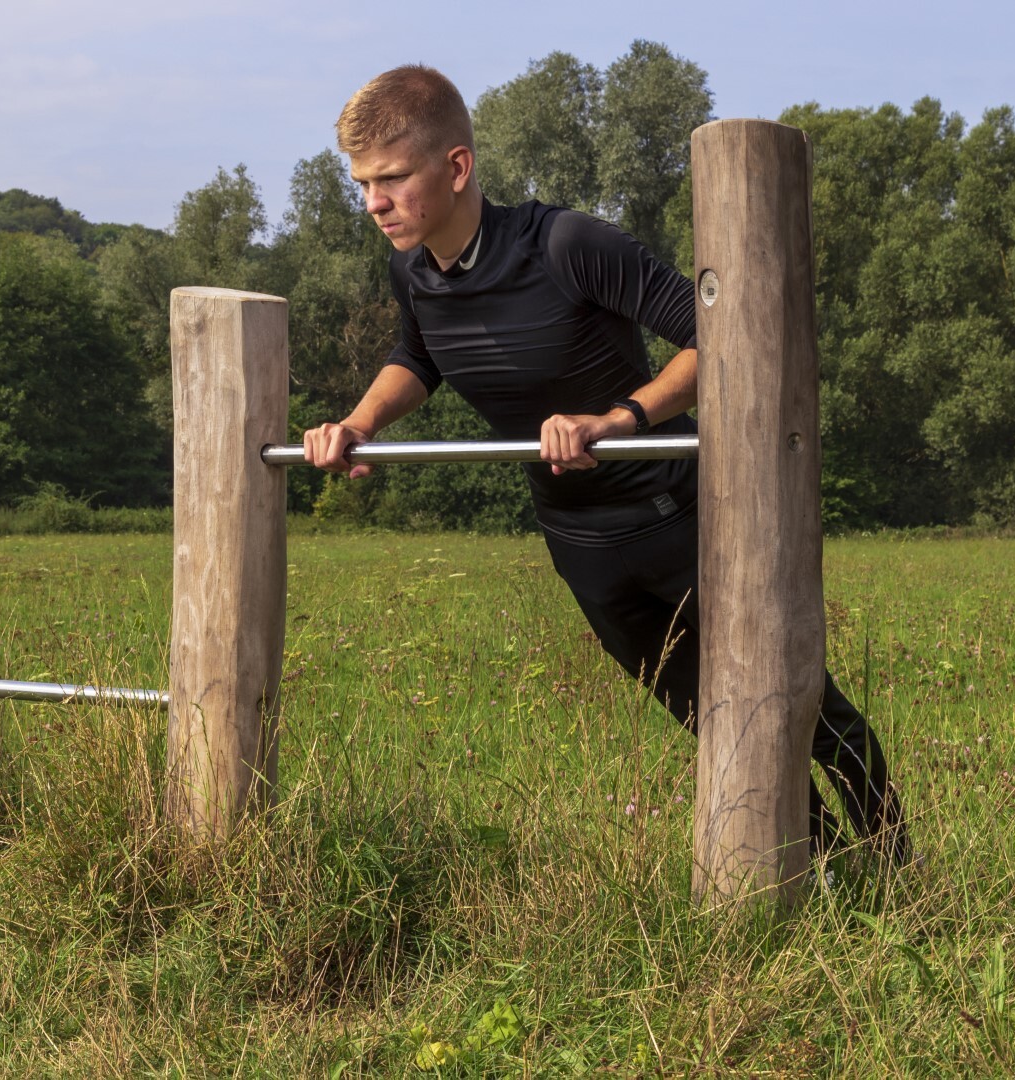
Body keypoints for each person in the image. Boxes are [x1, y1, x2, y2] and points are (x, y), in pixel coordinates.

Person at [303, 65, 908, 864]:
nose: (374, 205)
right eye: (363, 185)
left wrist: (619, 419)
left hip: (679, 518)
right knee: (715, 722)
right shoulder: (412, 268)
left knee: (797, 703)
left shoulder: (566, 244)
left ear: (456, 167)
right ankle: (825, 873)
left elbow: (718, 339)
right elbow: (417, 356)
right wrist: (359, 422)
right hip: (580, 546)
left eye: (391, 180)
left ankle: (898, 864)